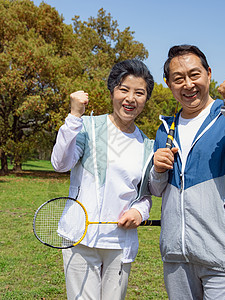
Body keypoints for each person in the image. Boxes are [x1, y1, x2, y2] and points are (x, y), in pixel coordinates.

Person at [149, 45, 225, 299]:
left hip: (222, 256)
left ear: (209, 74)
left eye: (195, 74)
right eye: (178, 78)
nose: (188, 84)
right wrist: (157, 169)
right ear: (168, 84)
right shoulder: (165, 129)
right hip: (176, 257)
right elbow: (157, 190)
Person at [51, 59, 155, 300]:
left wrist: (140, 213)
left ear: (145, 100)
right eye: (124, 89)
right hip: (79, 238)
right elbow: (60, 164)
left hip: (120, 244)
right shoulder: (87, 127)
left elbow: (144, 194)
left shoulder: (147, 145)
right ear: (112, 92)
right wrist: (74, 116)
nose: (131, 98)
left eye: (139, 93)